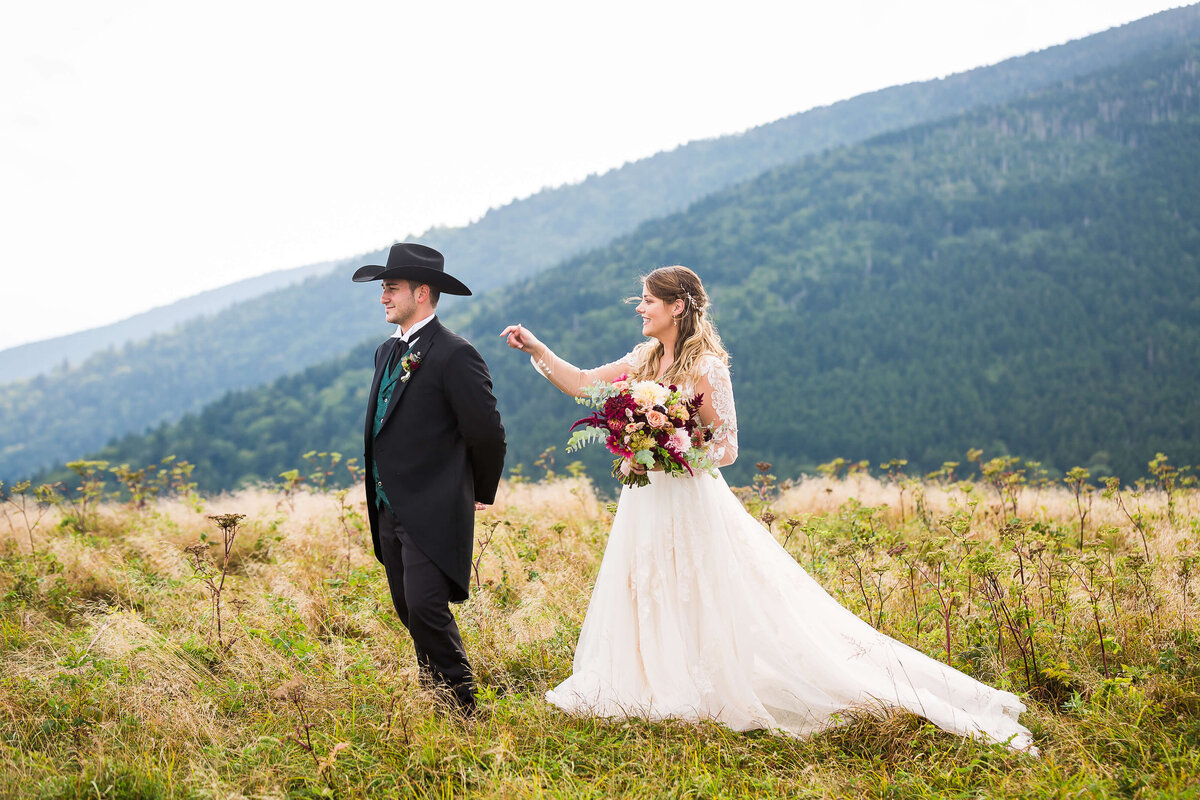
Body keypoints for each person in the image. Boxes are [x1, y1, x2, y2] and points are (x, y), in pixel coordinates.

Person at [501, 264, 1036, 753]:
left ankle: (707, 684)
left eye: (647, 301)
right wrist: (537, 350)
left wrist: (671, 445)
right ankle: (654, 681)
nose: (639, 309)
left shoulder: (705, 366)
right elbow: (581, 385)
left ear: (677, 307)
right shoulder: (643, 359)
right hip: (646, 500)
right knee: (647, 584)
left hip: (688, 496)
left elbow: (727, 447)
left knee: (704, 590)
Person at [354, 242, 506, 715]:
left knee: (426, 608)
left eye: (391, 288)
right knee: (407, 609)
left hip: (435, 505)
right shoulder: (386, 351)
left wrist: (478, 491)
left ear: (422, 293)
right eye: (382, 288)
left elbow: (486, 431)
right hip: (387, 505)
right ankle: (438, 698)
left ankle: (463, 708)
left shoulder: (456, 354)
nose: (383, 297)